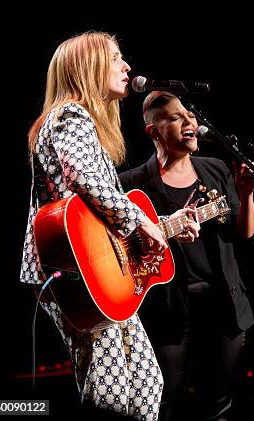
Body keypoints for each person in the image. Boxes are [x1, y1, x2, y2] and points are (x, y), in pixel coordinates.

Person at [20, 31, 190, 419]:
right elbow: (87, 182)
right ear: (88, 66)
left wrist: (162, 225)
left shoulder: (82, 124)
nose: (127, 66)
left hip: (95, 270)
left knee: (147, 383)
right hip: (74, 273)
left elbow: (97, 213)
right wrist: (141, 221)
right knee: (110, 390)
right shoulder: (71, 115)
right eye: (116, 58)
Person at [119, 91, 254, 421]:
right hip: (166, 313)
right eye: (175, 117)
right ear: (153, 131)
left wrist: (246, 195)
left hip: (223, 308)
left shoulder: (216, 170)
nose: (189, 122)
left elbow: (246, 235)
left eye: (190, 115)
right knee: (161, 405)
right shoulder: (131, 186)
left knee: (218, 405)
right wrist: (164, 236)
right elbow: (120, 255)